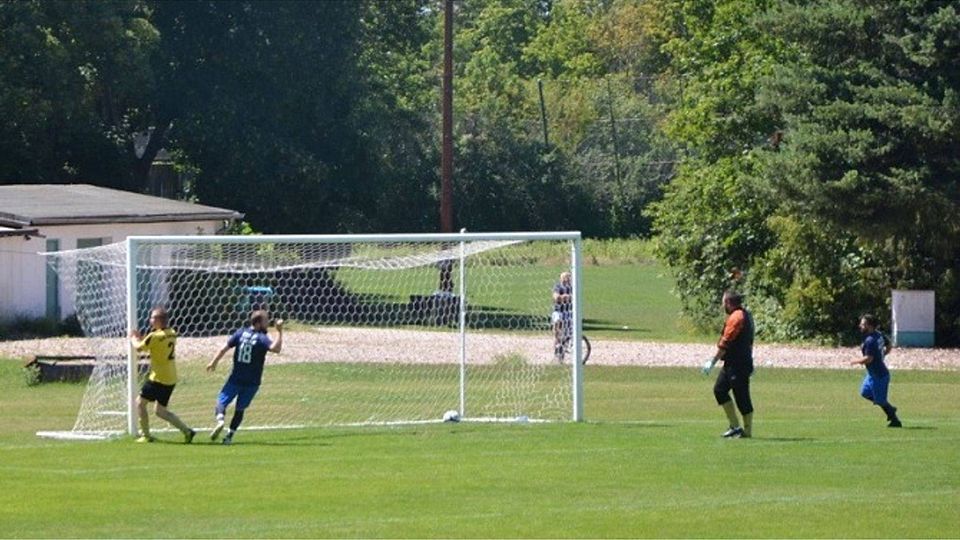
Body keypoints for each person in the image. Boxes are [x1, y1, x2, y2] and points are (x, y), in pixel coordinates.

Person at [206, 310, 284, 445]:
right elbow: (276, 349)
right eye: (266, 321)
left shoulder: (240, 333)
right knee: (240, 409)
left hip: (236, 377)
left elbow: (224, 348)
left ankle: (220, 420)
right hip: (252, 382)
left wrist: (213, 362)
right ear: (259, 323)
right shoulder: (261, 338)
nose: (268, 323)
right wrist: (280, 331)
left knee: (221, 401)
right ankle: (229, 437)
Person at [129, 307, 196, 443]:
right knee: (160, 411)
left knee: (140, 403)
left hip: (158, 378)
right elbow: (155, 345)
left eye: (153, 317)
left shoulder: (154, 336)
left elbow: (139, 347)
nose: (150, 320)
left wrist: (132, 338)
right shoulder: (172, 333)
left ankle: (146, 436)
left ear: (159, 320)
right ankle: (187, 431)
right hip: (170, 377)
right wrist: (143, 339)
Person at [706, 290, 755, 438]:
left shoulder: (736, 317)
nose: (722, 306)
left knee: (742, 397)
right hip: (731, 363)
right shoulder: (746, 315)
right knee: (720, 390)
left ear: (728, 303)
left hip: (738, 364)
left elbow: (725, 342)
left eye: (723, 302)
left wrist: (712, 362)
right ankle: (734, 426)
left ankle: (747, 431)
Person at [851, 314, 902, 427]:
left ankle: (894, 419)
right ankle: (889, 407)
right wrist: (883, 353)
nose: (860, 326)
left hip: (880, 375)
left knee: (880, 401)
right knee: (865, 392)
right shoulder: (878, 334)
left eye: (863, 324)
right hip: (872, 374)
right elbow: (889, 344)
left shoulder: (871, 340)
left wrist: (855, 361)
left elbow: (868, 359)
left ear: (869, 326)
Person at [551, 271, 573, 361]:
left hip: (568, 311)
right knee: (557, 321)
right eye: (566, 278)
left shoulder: (572, 288)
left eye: (568, 278)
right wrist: (566, 297)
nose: (567, 279)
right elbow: (556, 297)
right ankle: (557, 342)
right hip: (559, 311)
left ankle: (565, 345)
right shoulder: (558, 286)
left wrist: (563, 297)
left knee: (569, 330)